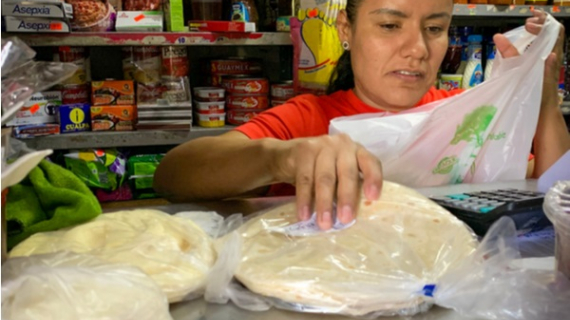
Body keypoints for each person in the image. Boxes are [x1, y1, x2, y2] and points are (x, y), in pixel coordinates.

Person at [155, 0, 570, 230]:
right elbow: (173, 176)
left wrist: (543, 94)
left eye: (434, 28)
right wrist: (277, 157)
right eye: (390, 25)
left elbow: (558, 200)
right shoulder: (310, 119)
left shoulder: (465, 117)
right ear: (346, 30)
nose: (417, 49)